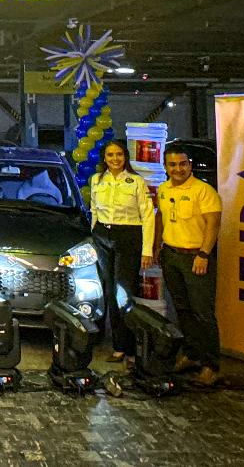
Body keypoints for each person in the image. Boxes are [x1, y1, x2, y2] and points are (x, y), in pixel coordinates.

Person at [156, 142, 222, 386]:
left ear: (190, 165)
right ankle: (191, 354)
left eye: (182, 164)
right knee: (182, 309)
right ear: (165, 167)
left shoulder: (203, 191)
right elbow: (161, 218)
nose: (178, 169)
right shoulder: (163, 189)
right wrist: (156, 246)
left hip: (196, 258)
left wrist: (203, 254)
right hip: (171, 255)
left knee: (202, 312)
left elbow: (213, 223)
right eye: (172, 164)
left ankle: (210, 365)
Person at [89, 139, 155, 366]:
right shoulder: (97, 179)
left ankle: (132, 349)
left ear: (125, 156)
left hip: (128, 236)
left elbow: (148, 216)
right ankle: (119, 347)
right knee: (108, 292)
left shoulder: (136, 181)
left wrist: (147, 250)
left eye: (119, 154)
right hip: (102, 236)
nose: (115, 159)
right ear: (104, 158)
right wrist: (94, 236)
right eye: (110, 155)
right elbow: (94, 210)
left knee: (124, 293)